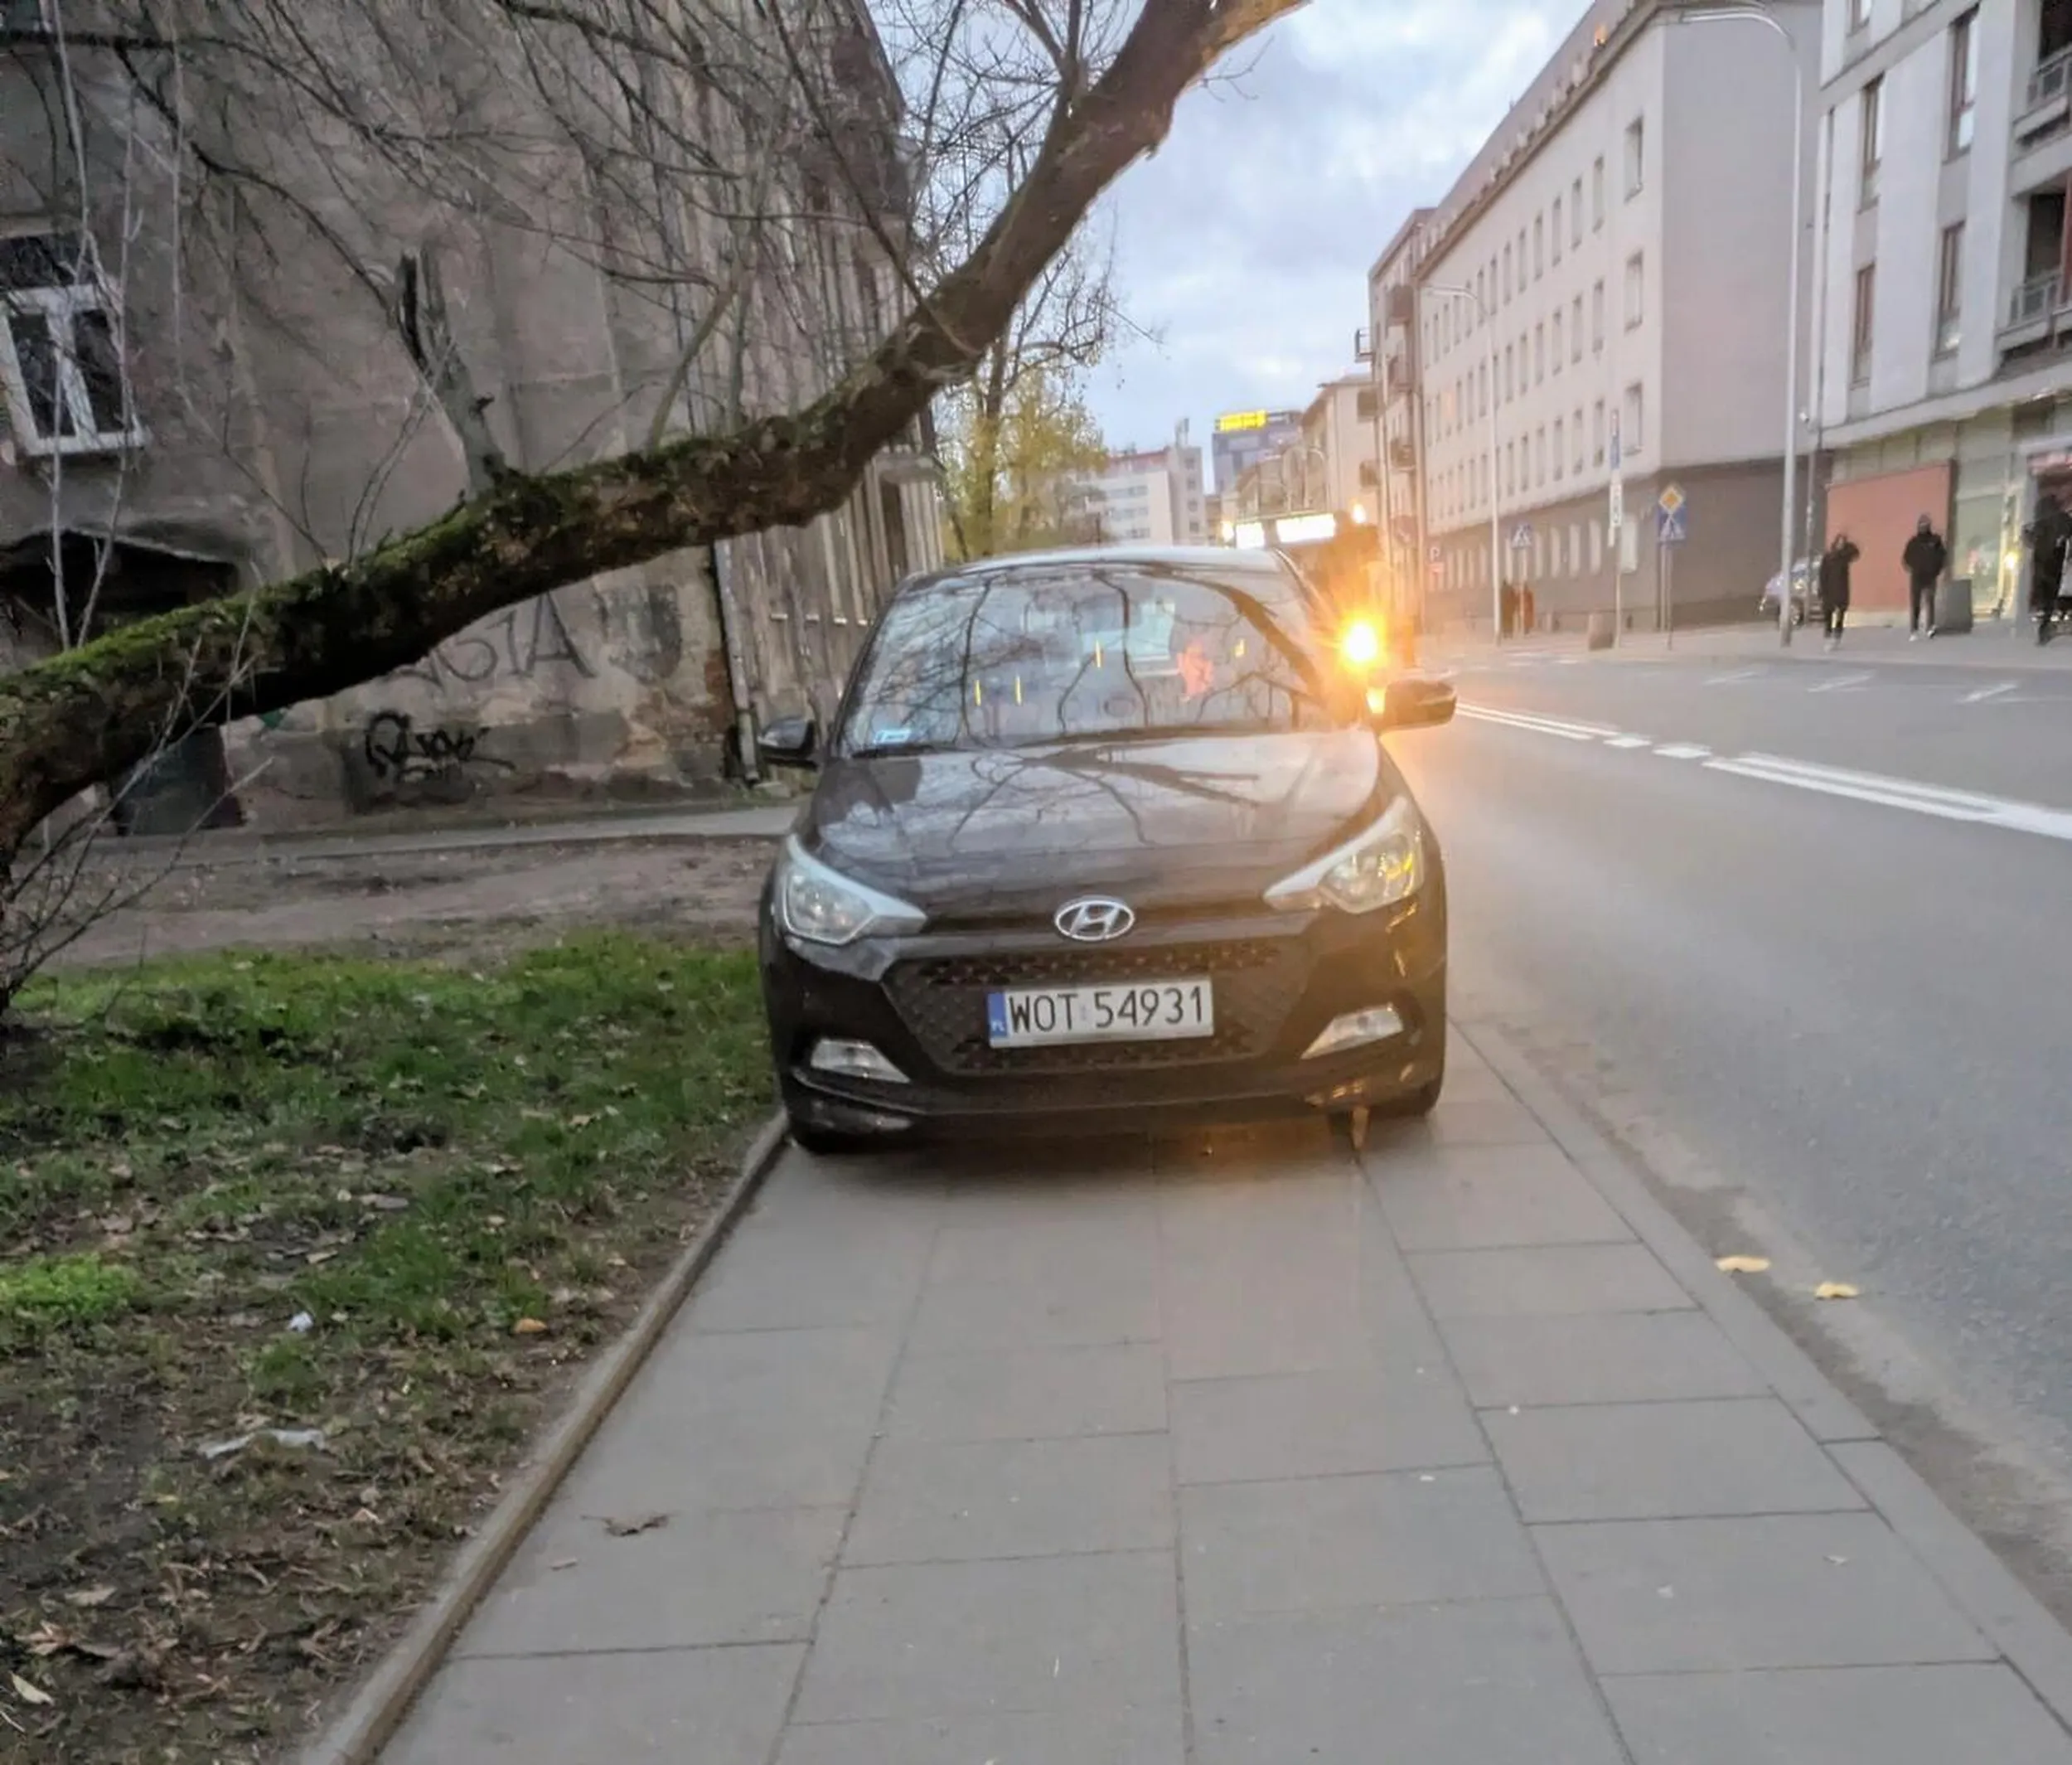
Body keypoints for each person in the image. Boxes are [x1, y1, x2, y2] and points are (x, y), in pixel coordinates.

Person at [1901, 515, 1947, 639]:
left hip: (1931, 576)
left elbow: (1942, 556)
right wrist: (1912, 568)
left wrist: (1937, 570)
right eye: (1921, 525)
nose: (1923, 527)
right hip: (1917, 576)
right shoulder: (1913, 542)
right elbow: (1906, 558)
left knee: (1930, 602)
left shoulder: (1935, 541)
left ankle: (1930, 627)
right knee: (1915, 604)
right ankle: (1914, 630)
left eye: (1926, 525)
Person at [1818, 531, 1859, 651]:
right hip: (1829, 589)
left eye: (1843, 543)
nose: (1840, 545)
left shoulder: (1844, 557)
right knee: (1828, 614)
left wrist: (1847, 545)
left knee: (1840, 614)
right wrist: (1821, 590)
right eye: (1839, 542)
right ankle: (1828, 636)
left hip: (1841, 589)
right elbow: (1822, 574)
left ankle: (1837, 636)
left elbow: (1856, 553)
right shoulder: (1828, 557)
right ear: (1835, 543)